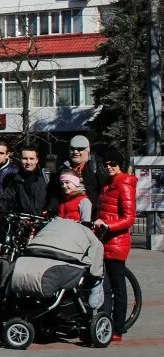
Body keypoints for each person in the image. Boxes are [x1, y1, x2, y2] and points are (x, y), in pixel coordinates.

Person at [94, 148, 136, 342]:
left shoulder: (124, 184)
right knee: (106, 287)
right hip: (104, 240)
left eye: (113, 164)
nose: (109, 167)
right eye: (107, 164)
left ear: (120, 165)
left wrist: (108, 225)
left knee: (117, 287)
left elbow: (129, 218)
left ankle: (117, 328)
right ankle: (106, 325)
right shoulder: (108, 184)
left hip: (117, 243)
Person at [49, 135, 110, 215]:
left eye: (80, 149)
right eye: (72, 149)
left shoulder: (97, 166)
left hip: (91, 215)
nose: (75, 152)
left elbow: (106, 192)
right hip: (66, 215)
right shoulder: (62, 168)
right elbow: (55, 193)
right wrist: (53, 209)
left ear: (88, 150)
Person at [0, 143, 50, 218]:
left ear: (37, 160)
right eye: (25, 158)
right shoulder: (15, 179)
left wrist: (50, 209)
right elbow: (6, 200)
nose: (28, 162)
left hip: (43, 223)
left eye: (31, 159)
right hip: (22, 223)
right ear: (20, 159)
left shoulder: (46, 177)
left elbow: (55, 199)